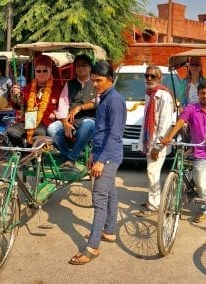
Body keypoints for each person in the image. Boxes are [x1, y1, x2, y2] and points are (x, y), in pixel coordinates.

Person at [69, 61, 126, 265]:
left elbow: (115, 135)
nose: (95, 84)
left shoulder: (115, 101)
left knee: (99, 199)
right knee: (110, 193)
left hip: (109, 156)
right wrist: (94, 153)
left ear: (110, 80)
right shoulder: (104, 98)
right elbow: (100, 130)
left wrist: (102, 161)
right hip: (102, 153)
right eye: (93, 80)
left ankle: (92, 247)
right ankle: (110, 231)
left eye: (98, 80)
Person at [161, 83, 206, 223]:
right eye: (203, 93)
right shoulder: (192, 108)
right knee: (201, 184)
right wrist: (169, 137)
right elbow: (181, 121)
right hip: (199, 151)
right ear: (198, 94)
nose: (205, 96)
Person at [134, 65, 175, 217]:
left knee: (152, 172)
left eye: (153, 76)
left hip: (159, 143)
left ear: (160, 78)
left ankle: (154, 205)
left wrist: (158, 147)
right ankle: (153, 200)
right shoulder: (149, 94)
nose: (149, 79)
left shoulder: (164, 96)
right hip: (149, 140)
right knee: (152, 172)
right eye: (147, 76)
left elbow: (165, 124)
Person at [46, 54, 96, 170]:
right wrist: (65, 123)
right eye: (78, 66)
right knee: (52, 129)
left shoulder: (95, 83)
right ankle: (68, 156)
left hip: (88, 119)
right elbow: (63, 105)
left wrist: (79, 108)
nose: (81, 68)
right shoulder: (69, 84)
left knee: (88, 124)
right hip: (70, 120)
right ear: (75, 68)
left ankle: (71, 158)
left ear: (89, 68)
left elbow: (96, 101)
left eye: (84, 65)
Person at [7, 54, 63, 147]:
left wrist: (56, 112)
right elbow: (19, 104)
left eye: (45, 71)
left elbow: (64, 106)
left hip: (45, 121)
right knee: (11, 132)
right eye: (38, 71)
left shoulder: (58, 87)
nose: (41, 74)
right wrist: (15, 95)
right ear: (35, 72)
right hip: (29, 120)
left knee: (39, 133)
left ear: (50, 71)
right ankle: (24, 153)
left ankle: (35, 157)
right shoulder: (29, 86)